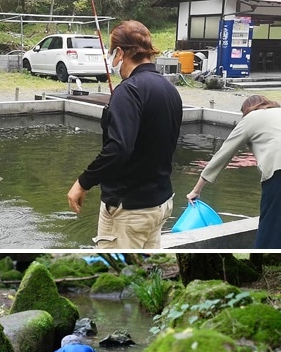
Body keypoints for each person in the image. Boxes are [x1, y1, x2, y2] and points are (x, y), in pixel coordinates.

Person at [67, 20, 183, 249]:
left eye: (112, 53)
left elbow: (118, 148)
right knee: (145, 269)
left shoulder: (128, 91)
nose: (112, 59)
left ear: (120, 53)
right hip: (159, 204)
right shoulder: (170, 90)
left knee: (117, 269)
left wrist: (83, 182)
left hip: (128, 209)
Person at [186, 95, 281, 248]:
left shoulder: (251, 118)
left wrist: (196, 189)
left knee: (269, 229)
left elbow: (223, 154)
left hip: (278, 172)